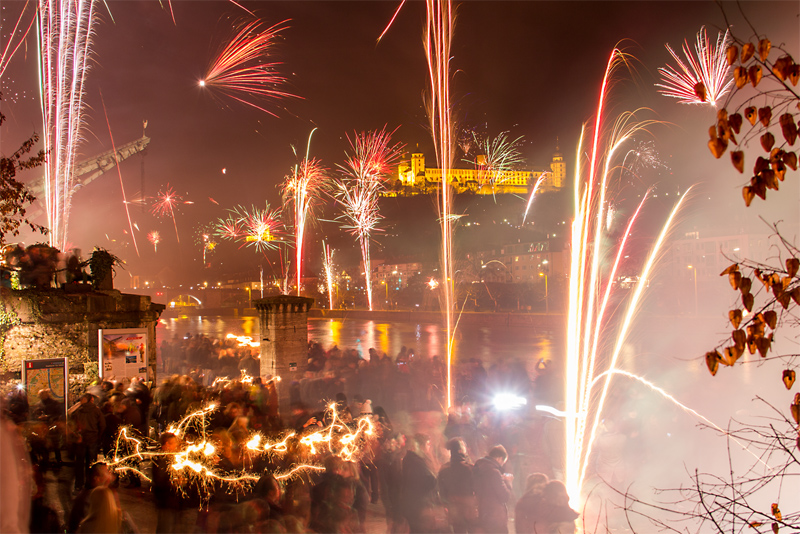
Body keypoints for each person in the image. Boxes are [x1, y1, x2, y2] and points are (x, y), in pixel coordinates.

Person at [400, 433, 438, 533]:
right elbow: (431, 482)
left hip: (411, 505)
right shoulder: (418, 463)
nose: (429, 447)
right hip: (418, 507)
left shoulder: (409, 459)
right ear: (421, 446)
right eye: (428, 444)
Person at [153, 433, 191, 533]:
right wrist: (173, 483)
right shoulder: (160, 460)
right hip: (166, 503)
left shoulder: (177, 459)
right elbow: (159, 480)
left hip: (177, 503)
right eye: (174, 443)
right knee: (165, 529)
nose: (177, 445)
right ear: (166, 445)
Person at [473, 445, 513, 534]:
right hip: (495, 516)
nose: (502, 465)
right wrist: (508, 483)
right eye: (503, 462)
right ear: (499, 458)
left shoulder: (478, 468)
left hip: (482, 513)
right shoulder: (494, 472)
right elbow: (505, 497)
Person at [438, 438, 476, 534]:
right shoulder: (470, 468)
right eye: (463, 446)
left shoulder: (444, 469)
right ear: (460, 450)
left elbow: (441, 492)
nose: (466, 448)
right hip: (469, 509)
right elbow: (477, 488)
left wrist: (447, 505)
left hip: (454, 510)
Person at [69, 393, 106, 490]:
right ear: (92, 400)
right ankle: (90, 484)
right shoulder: (96, 411)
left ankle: (78, 484)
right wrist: (98, 436)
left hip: (81, 439)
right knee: (91, 463)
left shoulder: (78, 411)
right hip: (92, 438)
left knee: (79, 463)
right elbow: (102, 425)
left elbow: (71, 422)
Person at [68, 463, 115, 534]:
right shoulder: (90, 499)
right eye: (107, 473)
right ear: (97, 479)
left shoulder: (96, 494)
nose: (110, 476)